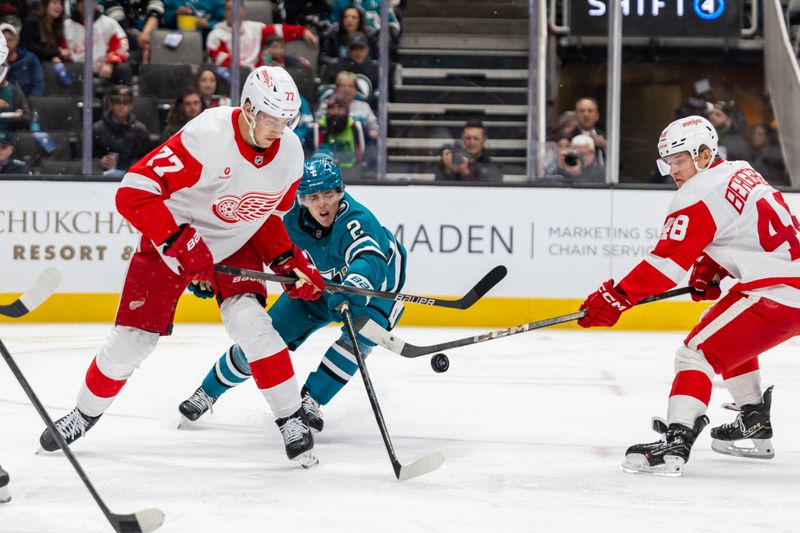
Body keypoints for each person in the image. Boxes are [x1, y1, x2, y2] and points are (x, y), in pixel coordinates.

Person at [38, 66, 326, 468]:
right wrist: (180, 243)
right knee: (131, 344)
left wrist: (289, 260)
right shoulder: (207, 138)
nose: (279, 129)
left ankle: (290, 419)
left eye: (286, 120)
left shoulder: (291, 154)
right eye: (271, 118)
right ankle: (82, 415)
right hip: (171, 237)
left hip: (233, 242)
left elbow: (265, 219)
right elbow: (133, 193)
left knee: (254, 327)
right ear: (247, 108)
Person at [577, 115, 800, 476]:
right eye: (668, 163)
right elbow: (754, 231)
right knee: (717, 331)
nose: (674, 171)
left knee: (695, 354)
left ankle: (676, 440)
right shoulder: (741, 170)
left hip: (778, 294)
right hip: (788, 285)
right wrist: (714, 267)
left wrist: (616, 297)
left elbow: (665, 265)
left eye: (679, 160)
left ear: (704, 153)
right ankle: (754, 417)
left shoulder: (697, 193)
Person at [177, 156, 407, 435]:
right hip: (318, 284)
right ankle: (208, 392)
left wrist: (354, 285)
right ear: (301, 199)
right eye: (313, 196)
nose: (322, 203)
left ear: (340, 192)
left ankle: (312, 400)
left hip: (375, 290)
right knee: (264, 339)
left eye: (329, 194)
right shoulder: (286, 220)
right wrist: (209, 273)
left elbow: (369, 259)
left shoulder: (356, 219)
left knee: (359, 339)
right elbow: (243, 244)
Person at [207, 0, 318, 69]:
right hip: (233, 79)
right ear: (225, 12)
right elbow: (225, 64)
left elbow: (280, 29)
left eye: (236, 8)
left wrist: (303, 31)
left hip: (258, 75)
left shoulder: (255, 28)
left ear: (243, 10)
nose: (233, 12)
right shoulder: (216, 36)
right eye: (229, 9)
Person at [64, 0, 132, 86]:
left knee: (123, 70)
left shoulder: (109, 23)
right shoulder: (66, 26)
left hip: (102, 69)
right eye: (82, 2)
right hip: (75, 71)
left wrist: (110, 63)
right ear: (77, 4)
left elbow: (122, 45)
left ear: (95, 3)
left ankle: (118, 98)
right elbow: (59, 49)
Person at [92, 85, 152, 176]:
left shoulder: (140, 131)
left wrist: (134, 166)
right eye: (117, 102)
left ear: (131, 105)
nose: (121, 106)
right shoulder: (97, 129)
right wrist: (99, 163)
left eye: (126, 102)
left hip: (132, 178)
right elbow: (84, 160)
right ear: (110, 104)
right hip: (102, 179)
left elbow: (148, 161)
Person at [315, 70, 377, 140]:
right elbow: (318, 125)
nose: (347, 89)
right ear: (337, 89)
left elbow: (374, 127)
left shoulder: (364, 106)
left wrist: (372, 133)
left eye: (351, 86)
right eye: (343, 85)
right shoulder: (326, 104)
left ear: (356, 90)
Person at [434, 119, 502, 182]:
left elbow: (492, 190)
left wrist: (466, 174)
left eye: (476, 139)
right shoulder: (449, 161)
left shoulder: (490, 166)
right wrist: (448, 171)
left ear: (484, 140)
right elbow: (437, 189)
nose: (471, 142)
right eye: (468, 138)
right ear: (462, 138)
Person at [2, 22, 43, 97]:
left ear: (17, 40)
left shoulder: (30, 58)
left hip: (27, 102)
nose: (7, 44)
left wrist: (30, 105)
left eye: (10, 40)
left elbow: (38, 85)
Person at [570, 97, 606, 165]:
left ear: (597, 116)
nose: (586, 114)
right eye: (582, 111)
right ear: (576, 116)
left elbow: (620, 165)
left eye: (590, 111)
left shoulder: (605, 136)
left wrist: (605, 147)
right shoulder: (569, 137)